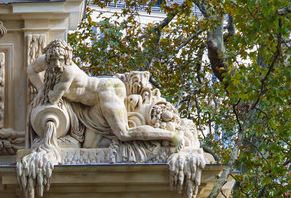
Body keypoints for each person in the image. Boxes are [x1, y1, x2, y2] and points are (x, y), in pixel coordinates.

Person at [27, 39, 182, 148]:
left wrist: (45, 91)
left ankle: (171, 136)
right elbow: (31, 70)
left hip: (106, 91)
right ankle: (114, 142)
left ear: (67, 58)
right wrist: (41, 89)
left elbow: (53, 98)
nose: (57, 64)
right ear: (48, 57)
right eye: (53, 60)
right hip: (90, 108)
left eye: (61, 59)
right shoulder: (47, 60)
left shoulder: (67, 71)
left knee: (124, 133)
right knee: (88, 147)